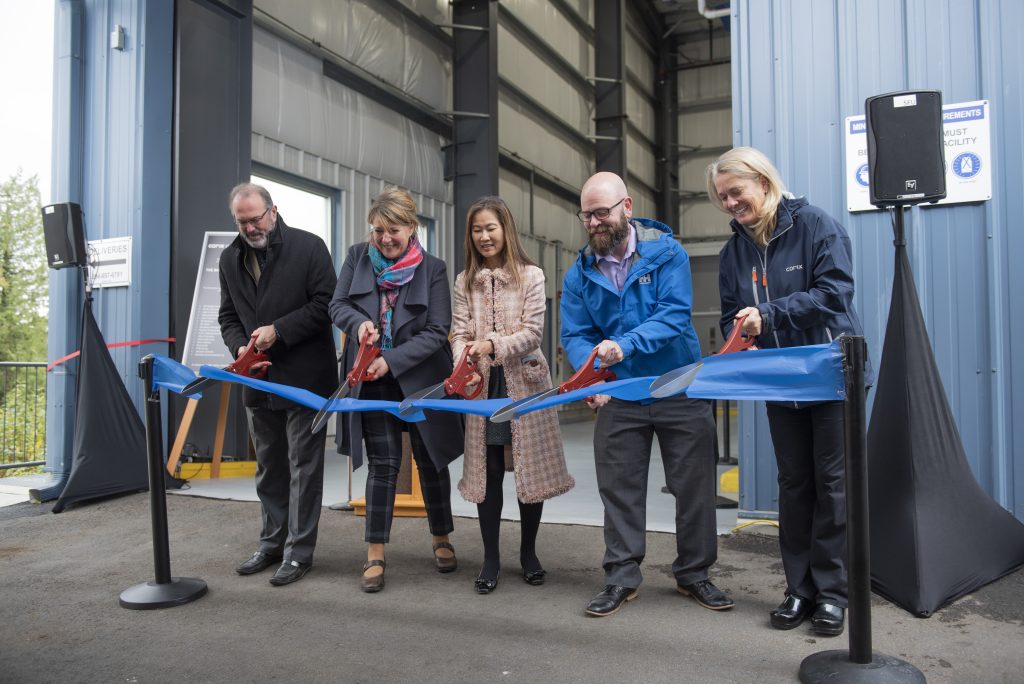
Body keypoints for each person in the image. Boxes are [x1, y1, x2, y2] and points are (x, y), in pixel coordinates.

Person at [706, 146, 870, 636]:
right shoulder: (733, 253)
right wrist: (738, 335)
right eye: (722, 198)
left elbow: (835, 293)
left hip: (831, 378)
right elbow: (729, 315)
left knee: (833, 488)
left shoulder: (816, 226)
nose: (731, 204)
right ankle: (799, 590)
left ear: (763, 180)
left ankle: (834, 595)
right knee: (794, 488)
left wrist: (770, 314)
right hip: (781, 384)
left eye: (737, 192)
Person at [560, 171, 732, 617]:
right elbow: (576, 334)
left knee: (693, 486)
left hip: (678, 385)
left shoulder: (667, 253)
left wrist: (624, 346)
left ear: (627, 207)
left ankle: (695, 575)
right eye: (587, 215)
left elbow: (674, 315)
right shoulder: (579, 273)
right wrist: (594, 376)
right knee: (619, 488)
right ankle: (620, 577)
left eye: (603, 212)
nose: (595, 222)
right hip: (621, 393)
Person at [329, 187, 464, 593]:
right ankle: (375, 551)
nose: (385, 239)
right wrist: (358, 325)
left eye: (394, 230)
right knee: (383, 464)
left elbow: (438, 330)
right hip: (369, 380)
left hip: (420, 378)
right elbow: (337, 305)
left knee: (430, 460)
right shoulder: (356, 257)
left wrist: (392, 359)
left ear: (411, 228)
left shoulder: (434, 269)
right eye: (378, 231)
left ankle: (441, 537)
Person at [451, 196, 574, 594]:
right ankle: (490, 558)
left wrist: (490, 345)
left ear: (506, 230)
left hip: (525, 384)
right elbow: (458, 331)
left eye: (491, 227)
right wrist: (464, 357)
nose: (484, 236)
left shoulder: (531, 276)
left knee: (527, 470)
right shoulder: (463, 281)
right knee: (488, 473)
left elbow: (533, 333)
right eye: (476, 229)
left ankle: (528, 552)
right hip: (483, 388)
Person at [219, 182, 338, 586]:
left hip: (306, 380)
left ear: (274, 211)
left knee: (304, 468)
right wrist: (239, 346)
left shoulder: (309, 247)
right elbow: (227, 316)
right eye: (242, 221)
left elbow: (327, 306)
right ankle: (271, 544)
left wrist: (279, 331)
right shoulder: (229, 259)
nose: (251, 227)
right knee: (269, 468)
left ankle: (299, 553)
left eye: (256, 218)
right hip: (258, 381)